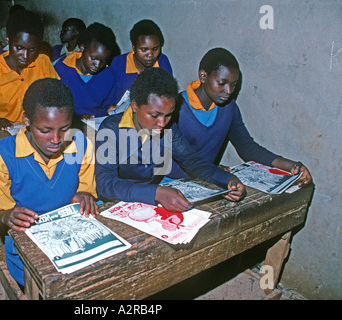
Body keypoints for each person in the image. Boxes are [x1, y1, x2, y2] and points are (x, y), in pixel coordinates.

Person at [0, 78, 98, 288]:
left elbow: (86, 188)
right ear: (26, 120)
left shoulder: (80, 144)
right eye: (44, 130)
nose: (56, 139)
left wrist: (84, 194)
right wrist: (7, 215)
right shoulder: (0, 155)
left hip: (72, 237)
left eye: (64, 128)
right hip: (26, 250)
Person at [95, 68, 246, 213]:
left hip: (152, 197)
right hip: (117, 202)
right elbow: (106, 184)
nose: (162, 123)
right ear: (135, 106)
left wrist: (226, 179)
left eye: (168, 115)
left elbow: (191, 160)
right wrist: (156, 192)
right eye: (154, 115)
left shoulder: (167, 128)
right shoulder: (111, 129)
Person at [172, 47, 312, 187]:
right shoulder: (174, 108)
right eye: (221, 83)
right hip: (170, 184)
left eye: (233, 85)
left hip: (205, 181)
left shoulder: (228, 108)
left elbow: (247, 148)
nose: (228, 91)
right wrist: (212, 172)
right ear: (203, 76)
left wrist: (291, 166)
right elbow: (166, 163)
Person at [0, 9, 59, 185]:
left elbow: (55, 97)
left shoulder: (43, 63)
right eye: (19, 48)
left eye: (32, 49)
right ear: (8, 40)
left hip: (36, 133)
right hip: (4, 135)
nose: (25, 56)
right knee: (10, 181)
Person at [53, 22, 119, 121]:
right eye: (93, 58)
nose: (97, 65)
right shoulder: (60, 70)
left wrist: (108, 111)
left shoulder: (108, 75)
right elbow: (52, 109)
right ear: (82, 48)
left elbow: (105, 109)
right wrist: (76, 119)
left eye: (103, 60)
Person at [109, 19, 173, 104]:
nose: (150, 54)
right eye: (143, 49)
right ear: (134, 48)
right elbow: (108, 95)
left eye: (155, 49)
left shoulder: (162, 62)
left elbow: (168, 95)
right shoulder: (119, 63)